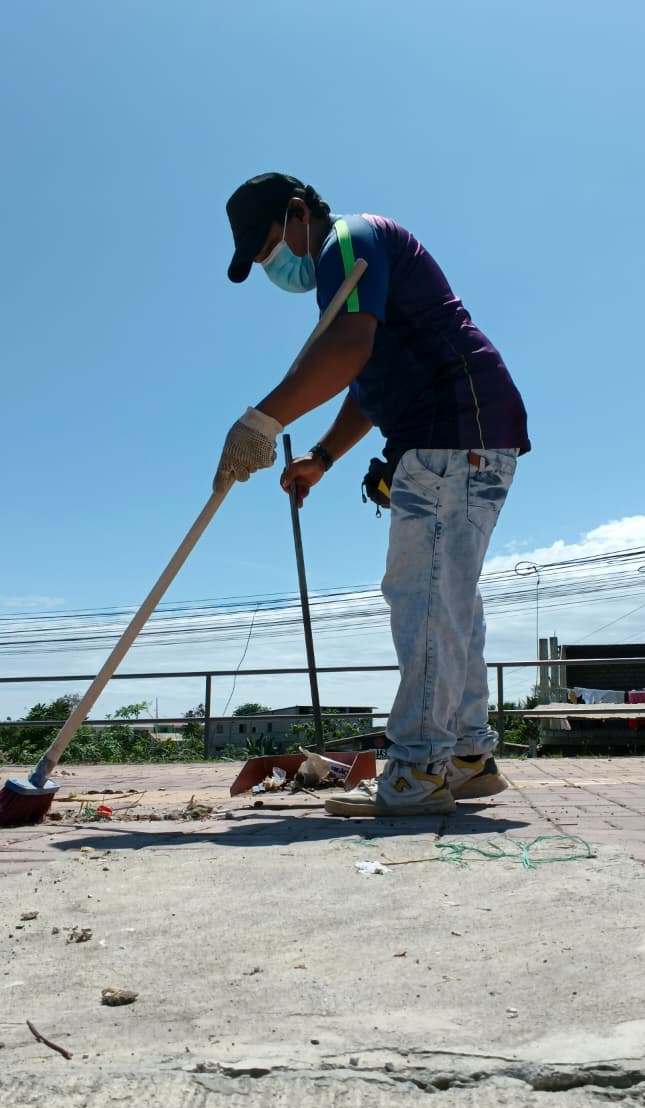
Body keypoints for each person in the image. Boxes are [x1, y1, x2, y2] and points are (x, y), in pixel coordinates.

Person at [215, 172, 530, 817]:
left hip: (450, 432)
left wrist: (261, 421)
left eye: (268, 246)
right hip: (465, 434)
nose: (273, 265)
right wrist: (324, 456)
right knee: (450, 599)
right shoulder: (348, 268)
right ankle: (466, 758)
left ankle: (417, 770)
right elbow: (364, 381)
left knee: (424, 597)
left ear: (296, 212)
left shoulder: (347, 241)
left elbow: (346, 349)